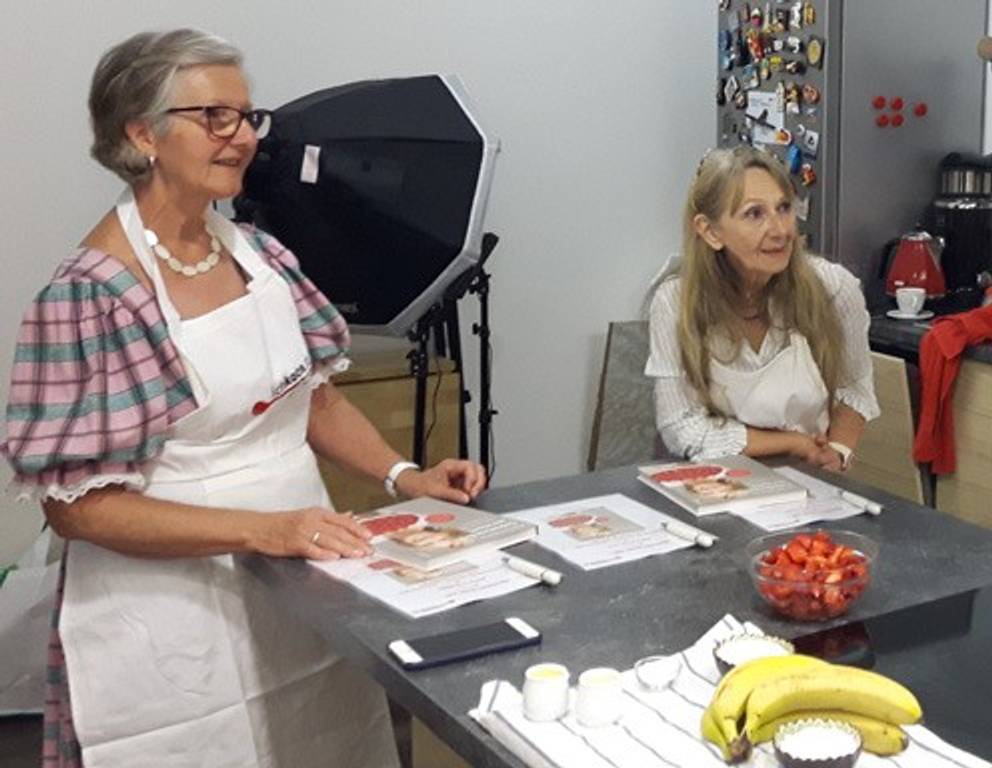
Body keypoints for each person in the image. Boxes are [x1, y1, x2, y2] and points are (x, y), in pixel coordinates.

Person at [1, 29, 486, 768]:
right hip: (171, 623)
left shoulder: (259, 255)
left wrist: (403, 476)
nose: (243, 139)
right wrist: (261, 531)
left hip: (298, 586)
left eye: (247, 117)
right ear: (142, 133)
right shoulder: (93, 296)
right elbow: (78, 508)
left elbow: (314, 400)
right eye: (215, 117)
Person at [646, 146, 879, 470]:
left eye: (783, 208)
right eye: (754, 214)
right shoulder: (676, 302)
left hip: (810, 481)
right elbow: (681, 426)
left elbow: (855, 388)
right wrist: (793, 444)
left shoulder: (834, 289)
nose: (780, 230)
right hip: (711, 481)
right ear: (710, 231)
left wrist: (836, 455)